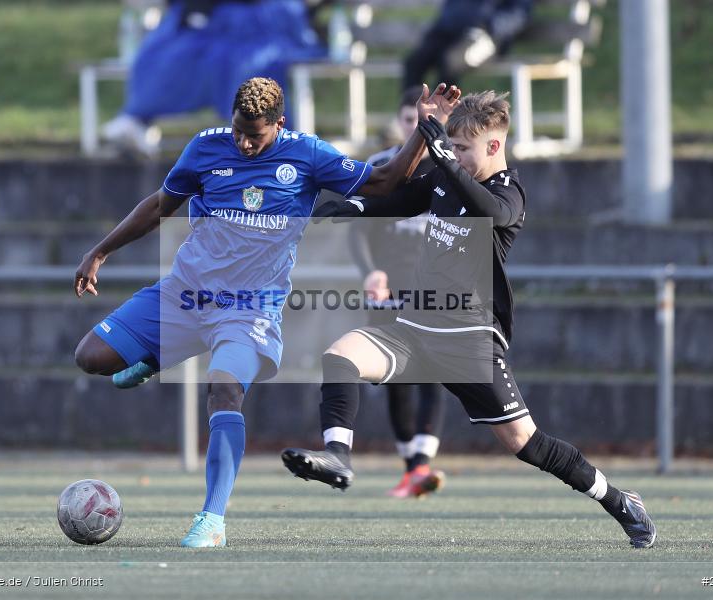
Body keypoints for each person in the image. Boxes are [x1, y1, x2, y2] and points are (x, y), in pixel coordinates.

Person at [74, 77, 462, 547]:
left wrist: (424, 129)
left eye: (254, 136)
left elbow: (384, 181)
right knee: (91, 357)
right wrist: (100, 251)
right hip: (185, 294)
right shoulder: (205, 149)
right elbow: (159, 206)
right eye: (238, 131)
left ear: (279, 124)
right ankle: (155, 357)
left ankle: (212, 520)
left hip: (249, 310)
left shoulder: (308, 154)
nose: (243, 143)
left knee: (224, 394)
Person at [281, 91, 657, 548]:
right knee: (341, 355)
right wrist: (349, 209)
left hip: (469, 340)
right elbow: (398, 202)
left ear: (494, 148)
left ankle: (620, 502)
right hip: (415, 328)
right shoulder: (445, 177)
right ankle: (338, 457)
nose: (454, 155)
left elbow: (488, 211)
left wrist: (443, 153)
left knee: (525, 442)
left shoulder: (508, 194)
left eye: (464, 149)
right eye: (453, 146)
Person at [347, 86, 448, 498]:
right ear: (401, 122)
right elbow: (357, 229)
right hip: (387, 286)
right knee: (395, 374)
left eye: (424, 120)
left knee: (434, 373)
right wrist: (371, 271)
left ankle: (420, 466)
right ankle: (413, 466)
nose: (417, 127)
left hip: (435, 287)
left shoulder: (451, 166)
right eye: (410, 120)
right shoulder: (380, 166)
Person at [103, 0, 326, 156]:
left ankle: (272, 141)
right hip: (210, 17)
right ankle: (137, 117)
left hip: (263, 19)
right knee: (167, 53)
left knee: (248, 62)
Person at [402, 0, 533, 90]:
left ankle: (440, 120)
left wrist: (489, 27)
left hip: (487, 37)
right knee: (414, 62)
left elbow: (518, 14)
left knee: (451, 62)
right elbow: (451, 9)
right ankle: (411, 117)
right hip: (449, 33)